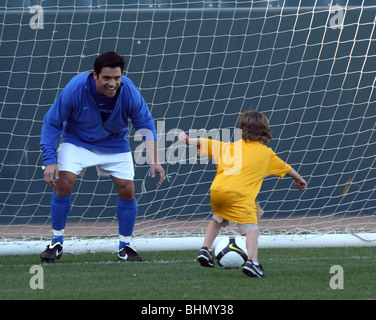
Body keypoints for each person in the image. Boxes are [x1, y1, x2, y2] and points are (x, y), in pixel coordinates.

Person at [40, 51, 165, 262]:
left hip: (115, 142)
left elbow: (145, 124)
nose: (112, 83)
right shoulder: (76, 88)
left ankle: (125, 247)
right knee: (65, 181)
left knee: (128, 188)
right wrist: (50, 161)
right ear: (95, 75)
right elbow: (52, 122)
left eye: (117, 78)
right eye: (106, 77)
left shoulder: (129, 91)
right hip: (78, 141)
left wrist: (155, 160)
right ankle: (56, 242)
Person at [179, 110, 307, 278]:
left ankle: (205, 249)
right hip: (239, 196)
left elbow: (205, 142)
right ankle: (252, 262)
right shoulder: (266, 154)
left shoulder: (228, 147)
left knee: (217, 218)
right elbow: (286, 167)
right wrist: (299, 179)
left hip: (217, 192)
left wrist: (186, 139)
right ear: (265, 132)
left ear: (241, 131)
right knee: (251, 227)